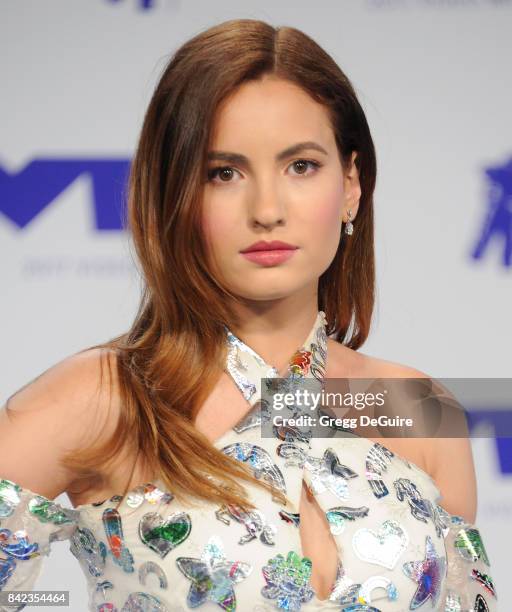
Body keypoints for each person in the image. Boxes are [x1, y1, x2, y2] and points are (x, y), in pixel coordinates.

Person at [0, 18, 497, 612]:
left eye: (302, 166)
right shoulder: (104, 398)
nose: (267, 209)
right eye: (223, 173)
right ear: (174, 195)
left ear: (351, 185)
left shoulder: (420, 408)